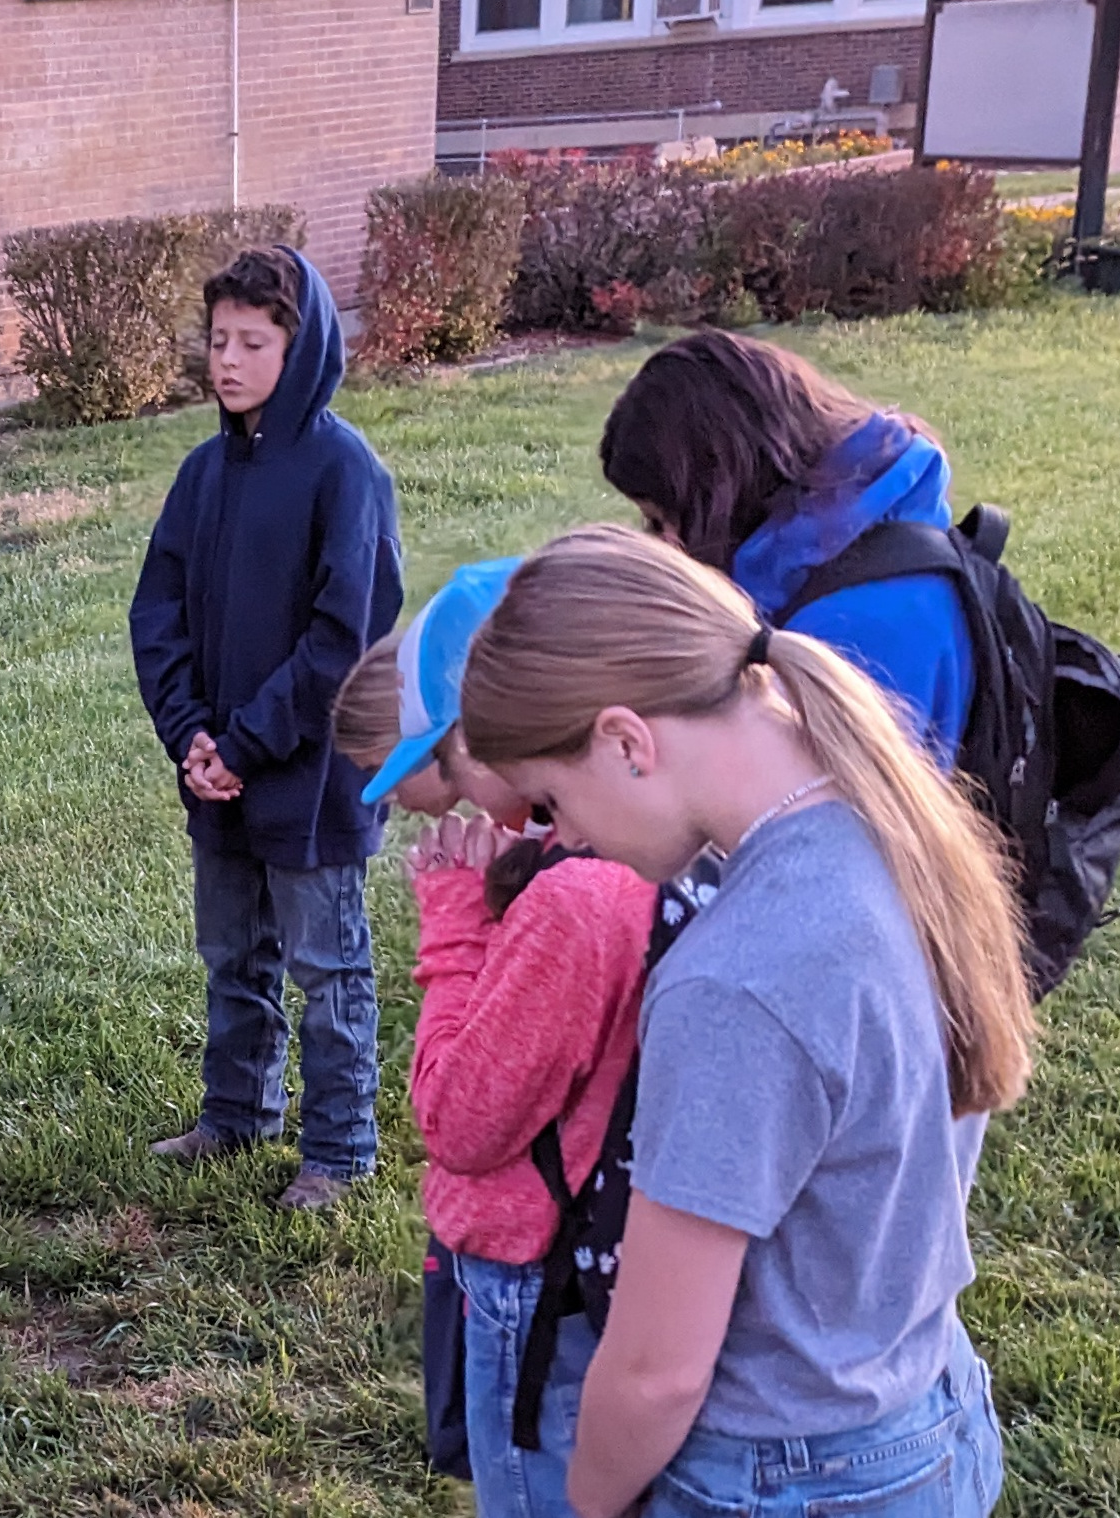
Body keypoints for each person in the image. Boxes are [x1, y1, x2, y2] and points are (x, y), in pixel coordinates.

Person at [457, 525, 1030, 1518]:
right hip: (925, 1408)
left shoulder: (737, 976)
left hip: (784, 1477)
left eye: (552, 799)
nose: (566, 837)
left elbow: (656, 1372)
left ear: (626, 742)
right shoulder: (898, 822)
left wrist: (588, 1500)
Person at [332, 561, 651, 1516]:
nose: (465, 799)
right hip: (582, 1265)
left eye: (459, 762)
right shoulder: (610, 858)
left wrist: (455, 926)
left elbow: (459, 1119)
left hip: (533, 1278)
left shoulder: (576, 899)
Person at [128, 246, 407, 1211]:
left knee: (326, 965)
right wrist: (191, 736)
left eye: (253, 342)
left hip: (310, 775)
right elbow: (156, 612)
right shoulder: (203, 474)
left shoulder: (344, 472)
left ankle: (338, 1148)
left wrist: (245, 743)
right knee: (232, 952)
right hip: (217, 770)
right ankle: (237, 1111)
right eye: (218, 341)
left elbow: (343, 637)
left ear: (302, 347)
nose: (229, 361)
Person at [599, 331, 970, 760]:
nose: (665, 545)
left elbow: (811, 797)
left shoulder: (853, 626)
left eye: (665, 520)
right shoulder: (831, 549)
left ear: (719, 495)